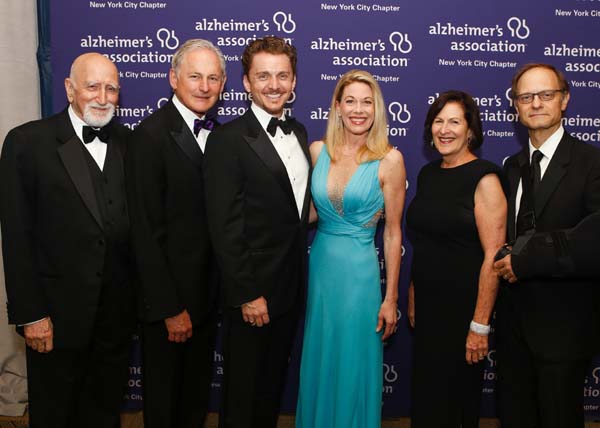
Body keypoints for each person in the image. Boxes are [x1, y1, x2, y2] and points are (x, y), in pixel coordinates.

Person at [0, 52, 134, 428]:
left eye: (111, 88)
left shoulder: (128, 142)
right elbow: (16, 237)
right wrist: (31, 315)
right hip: (55, 318)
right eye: (93, 86)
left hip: (115, 317)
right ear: (69, 89)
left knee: (105, 410)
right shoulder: (27, 143)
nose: (103, 97)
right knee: (56, 413)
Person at [203, 36, 310, 428]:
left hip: (291, 289)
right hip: (252, 294)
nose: (274, 84)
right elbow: (224, 226)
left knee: (270, 390)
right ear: (246, 83)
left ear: (294, 80)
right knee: (242, 397)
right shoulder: (227, 140)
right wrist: (248, 293)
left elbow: (294, 211)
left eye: (282, 75)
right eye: (263, 76)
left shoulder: (298, 132)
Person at [295, 69, 406, 428]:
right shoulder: (317, 151)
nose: (359, 110)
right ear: (337, 107)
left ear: (377, 109)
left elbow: (392, 233)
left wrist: (390, 298)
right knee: (321, 355)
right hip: (322, 270)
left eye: (367, 102)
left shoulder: (390, 159)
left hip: (360, 276)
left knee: (354, 360)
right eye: (351, 101)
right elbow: (309, 213)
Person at [126, 39, 226, 428]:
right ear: (173, 79)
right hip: (168, 304)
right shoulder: (149, 136)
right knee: (166, 406)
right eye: (195, 76)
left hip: (206, 299)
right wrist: (169, 308)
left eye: (213, 78)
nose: (204, 86)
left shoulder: (220, 135)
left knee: (193, 402)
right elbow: (145, 233)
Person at [493, 63, 600, 428]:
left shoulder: (591, 162)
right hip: (512, 328)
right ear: (516, 106)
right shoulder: (512, 167)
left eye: (546, 95)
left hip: (564, 328)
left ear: (565, 99)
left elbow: (595, 237)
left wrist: (527, 259)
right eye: (526, 97)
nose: (536, 103)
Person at [406, 90, 507, 428]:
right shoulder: (428, 174)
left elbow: (493, 255)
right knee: (427, 400)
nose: (444, 129)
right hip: (429, 311)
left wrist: (479, 325)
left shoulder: (486, 178)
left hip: (464, 312)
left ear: (470, 130)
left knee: (456, 404)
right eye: (438, 121)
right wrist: (414, 296)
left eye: (454, 122)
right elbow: (425, 242)